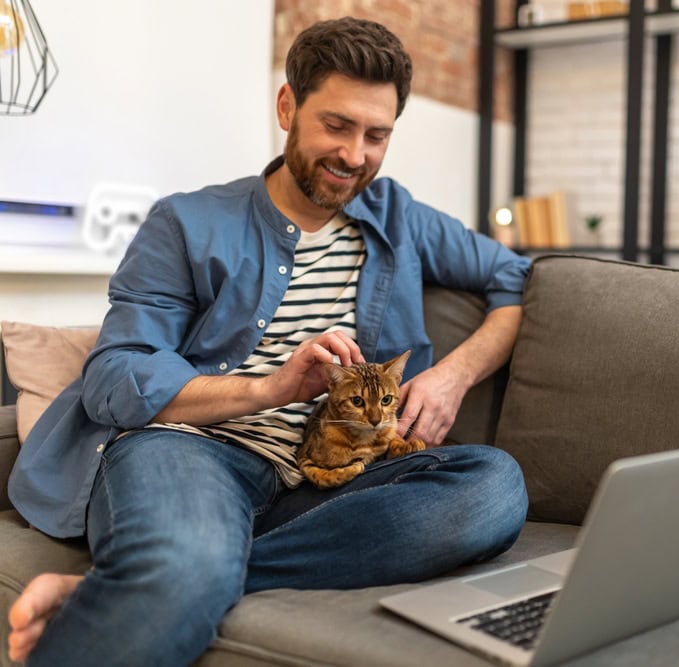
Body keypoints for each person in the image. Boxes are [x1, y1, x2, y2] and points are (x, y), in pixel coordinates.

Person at [7, 17, 531, 666]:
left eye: (377, 135)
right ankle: (173, 572)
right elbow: (115, 377)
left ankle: (132, 583)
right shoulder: (188, 221)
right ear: (287, 106)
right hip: (193, 452)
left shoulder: (401, 216)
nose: (355, 155)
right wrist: (269, 387)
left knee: (493, 485)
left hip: (327, 478)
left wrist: (453, 374)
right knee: (186, 556)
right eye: (337, 126)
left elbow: (517, 278)